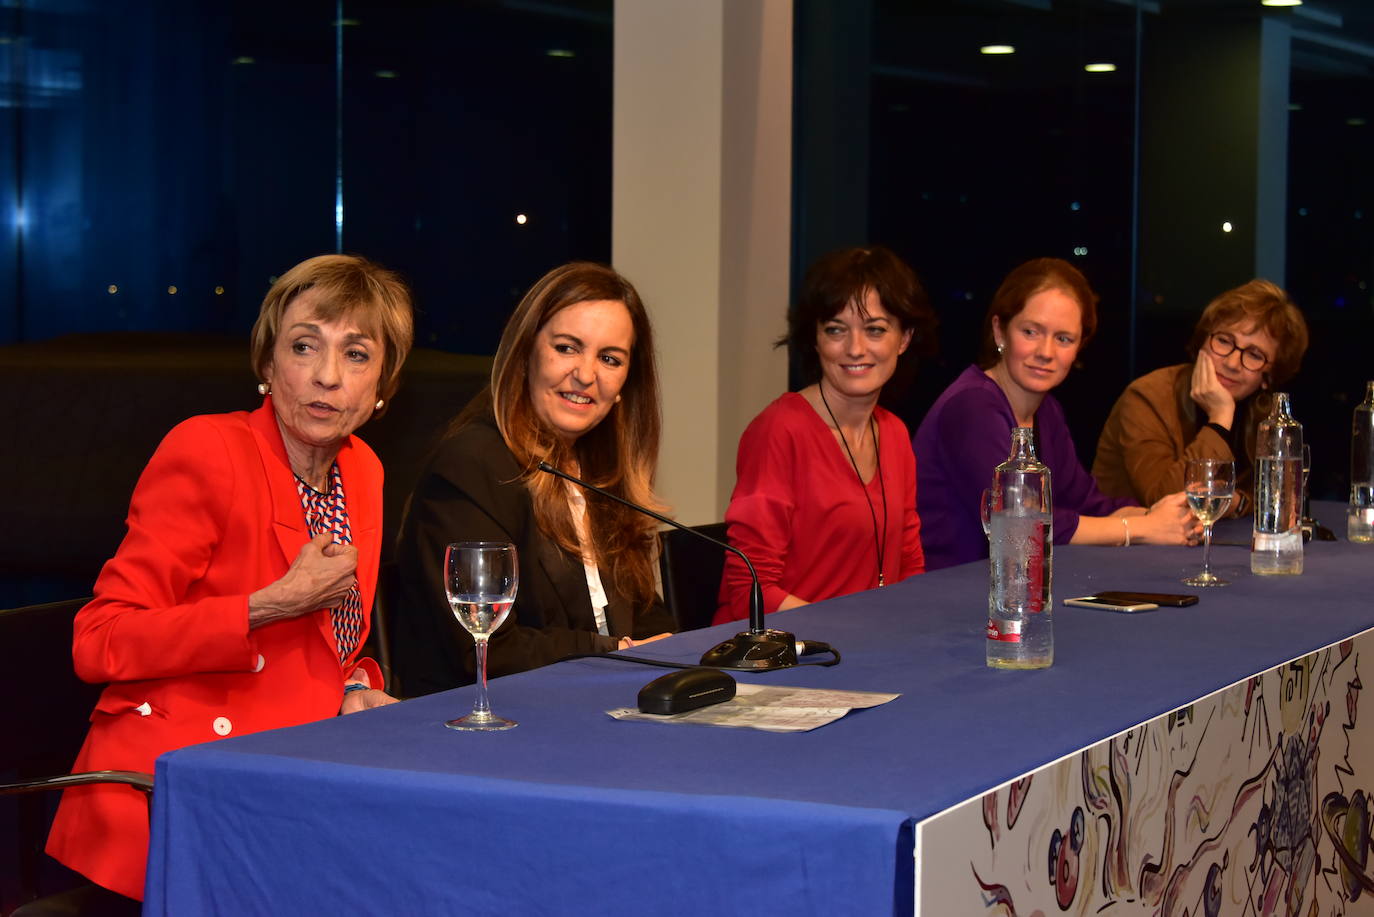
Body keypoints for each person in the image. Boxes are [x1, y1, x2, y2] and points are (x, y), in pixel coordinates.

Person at [46, 254, 414, 904]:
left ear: (383, 386)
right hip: (171, 799)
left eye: (357, 355)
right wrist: (265, 606)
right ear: (268, 366)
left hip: (285, 784)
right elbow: (98, 639)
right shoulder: (207, 450)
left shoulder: (363, 470)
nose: (328, 376)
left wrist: (355, 683)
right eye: (305, 347)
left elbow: (334, 640)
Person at [393, 262, 675, 696]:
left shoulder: (603, 472)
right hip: (489, 719)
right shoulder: (471, 465)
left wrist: (670, 651)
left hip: (596, 698)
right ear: (526, 352)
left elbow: (644, 614)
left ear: (624, 384)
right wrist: (616, 651)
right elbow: (485, 646)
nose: (586, 374)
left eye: (609, 358)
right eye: (567, 348)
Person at [913, 257, 1198, 571]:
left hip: (1013, 591)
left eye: (1063, 339)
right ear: (999, 332)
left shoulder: (1046, 410)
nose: (1046, 352)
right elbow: (1021, 522)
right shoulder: (972, 406)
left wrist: (1164, 517)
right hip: (949, 597)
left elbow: (1088, 505)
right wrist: (1142, 529)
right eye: (1031, 332)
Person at [714, 245, 934, 625]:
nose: (855, 348)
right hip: (782, 657)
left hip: (863, 649)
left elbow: (908, 568)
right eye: (836, 330)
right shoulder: (779, 430)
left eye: (875, 330)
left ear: (904, 338)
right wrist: (852, 630)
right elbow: (751, 590)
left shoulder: (895, 434)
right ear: (814, 340)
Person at [1092, 279, 1309, 511]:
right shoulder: (1147, 396)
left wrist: (1239, 503)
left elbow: (1280, 499)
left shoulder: (1264, 413)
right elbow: (1164, 498)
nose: (1232, 363)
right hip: (1125, 543)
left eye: (1254, 355)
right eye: (1224, 341)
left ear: (1269, 377)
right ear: (1202, 341)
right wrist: (1220, 418)